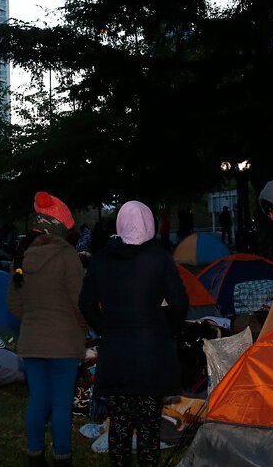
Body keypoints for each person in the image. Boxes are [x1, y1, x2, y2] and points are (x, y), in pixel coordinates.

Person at [78, 200, 189, 467]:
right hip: (151, 353)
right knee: (149, 425)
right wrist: (167, 329)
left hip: (116, 352)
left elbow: (86, 304)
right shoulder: (159, 258)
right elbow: (180, 303)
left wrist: (106, 327)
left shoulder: (102, 258)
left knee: (120, 424)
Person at [7, 191, 86, 467]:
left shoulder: (21, 257)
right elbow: (81, 303)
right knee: (62, 404)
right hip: (64, 343)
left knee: (38, 401)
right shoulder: (68, 257)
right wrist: (82, 328)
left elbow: (14, 304)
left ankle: (34, 455)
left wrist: (33, 318)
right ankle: (62, 457)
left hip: (32, 342)